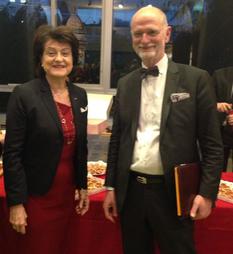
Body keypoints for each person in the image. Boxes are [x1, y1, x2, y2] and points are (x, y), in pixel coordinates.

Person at [103, 6, 223, 254]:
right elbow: (117, 141)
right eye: (138, 34)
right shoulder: (125, 84)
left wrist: (207, 193)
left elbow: (212, 144)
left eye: (152, 32)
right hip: (132, 192)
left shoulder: (196, 79)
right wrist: (111, 188)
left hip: (175, 194)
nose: (144, 40)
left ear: (167, 34)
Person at [3, 25, 89, 254]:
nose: (59, 59)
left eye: (65, 52)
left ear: (73, 58)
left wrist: (83, 185)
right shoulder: (25, 94)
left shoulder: (80, 95)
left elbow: (81, 146)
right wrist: (16, 203)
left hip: (68, 196)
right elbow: (12, 154)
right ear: (40, 59)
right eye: (51, 52)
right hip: (37, 197)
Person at [212, 66, 233, 171]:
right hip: (219, 133)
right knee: (217, 172)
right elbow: (206, 99)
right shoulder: (219, 74)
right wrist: (216, 105)